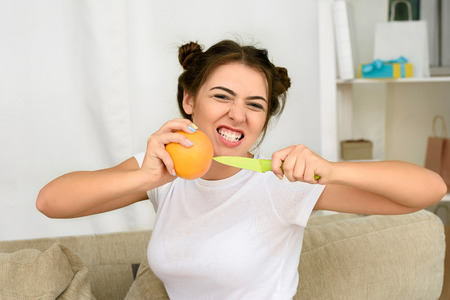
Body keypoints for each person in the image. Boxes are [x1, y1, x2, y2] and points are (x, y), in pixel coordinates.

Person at [37, 40, 447, 299]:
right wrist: (146, 177)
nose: (238, 115)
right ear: (188, 100)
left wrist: (331, 170)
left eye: (255, 104)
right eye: (222, 96)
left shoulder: (282, 183)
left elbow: (429, 189)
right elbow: (51, 202)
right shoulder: (163, 171)